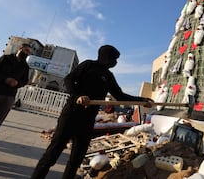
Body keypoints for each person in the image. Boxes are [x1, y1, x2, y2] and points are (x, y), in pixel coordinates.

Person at [31, 45, 154, 179]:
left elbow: (120, 96)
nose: (115, 62)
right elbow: (69, 79)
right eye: (114, 59)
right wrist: (78, 95)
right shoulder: (88, 65)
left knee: (76, 159)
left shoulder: (108, 76)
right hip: (71, 116)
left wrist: (142, 100)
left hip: (87, 121)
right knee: (52, 154)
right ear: (106, 57)